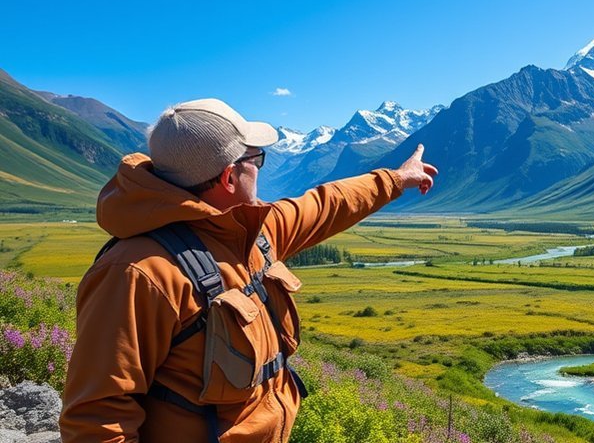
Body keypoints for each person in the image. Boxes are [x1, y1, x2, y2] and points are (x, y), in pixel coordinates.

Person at [59, 98, 438, 443]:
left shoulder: (250, 232)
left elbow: (324, 205)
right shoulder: (137, 274)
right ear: (228, 177)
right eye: (257, 160)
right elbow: (96, 421)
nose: (259, 169)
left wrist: (395, 179)